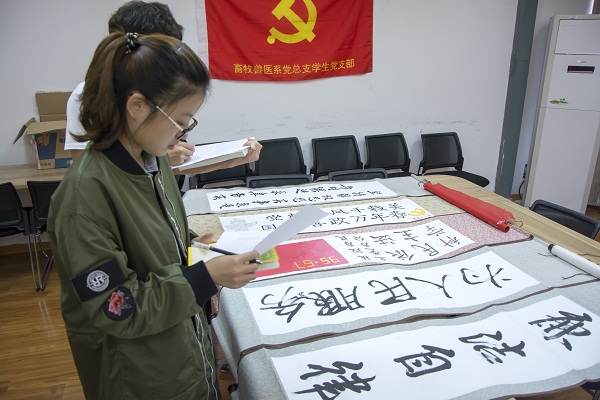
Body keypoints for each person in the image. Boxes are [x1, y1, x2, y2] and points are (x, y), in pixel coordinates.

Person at [47, 31, 260, 400]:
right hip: (138, 377)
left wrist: (201, 247)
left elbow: (159, 240)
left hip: (181, 350)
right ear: (138, 106)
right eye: (181, 120)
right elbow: (118, 307)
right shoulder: (84, 198)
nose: (183, 134)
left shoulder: (153, 160)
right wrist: (205, 277)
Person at [64, 0, 262, 173]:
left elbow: (171, 166)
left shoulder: (162, 90)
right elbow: (87, 170)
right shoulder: (89, 95)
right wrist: (161, 160)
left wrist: (230, 159)